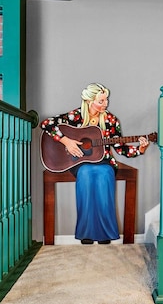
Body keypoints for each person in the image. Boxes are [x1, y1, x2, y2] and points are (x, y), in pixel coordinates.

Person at [40, 83, 150, 244]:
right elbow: (45, 124)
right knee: (86, 174)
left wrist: (140, 148)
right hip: (79, 163)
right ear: (89, 101)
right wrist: (67, 141)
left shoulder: (111, 120)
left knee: (105, 174)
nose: (105, 104)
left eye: (106, 100)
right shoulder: (75, 116)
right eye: (101, 101)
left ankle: (104, 233)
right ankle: (86, 233)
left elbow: (120, 148)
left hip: (104, 161)